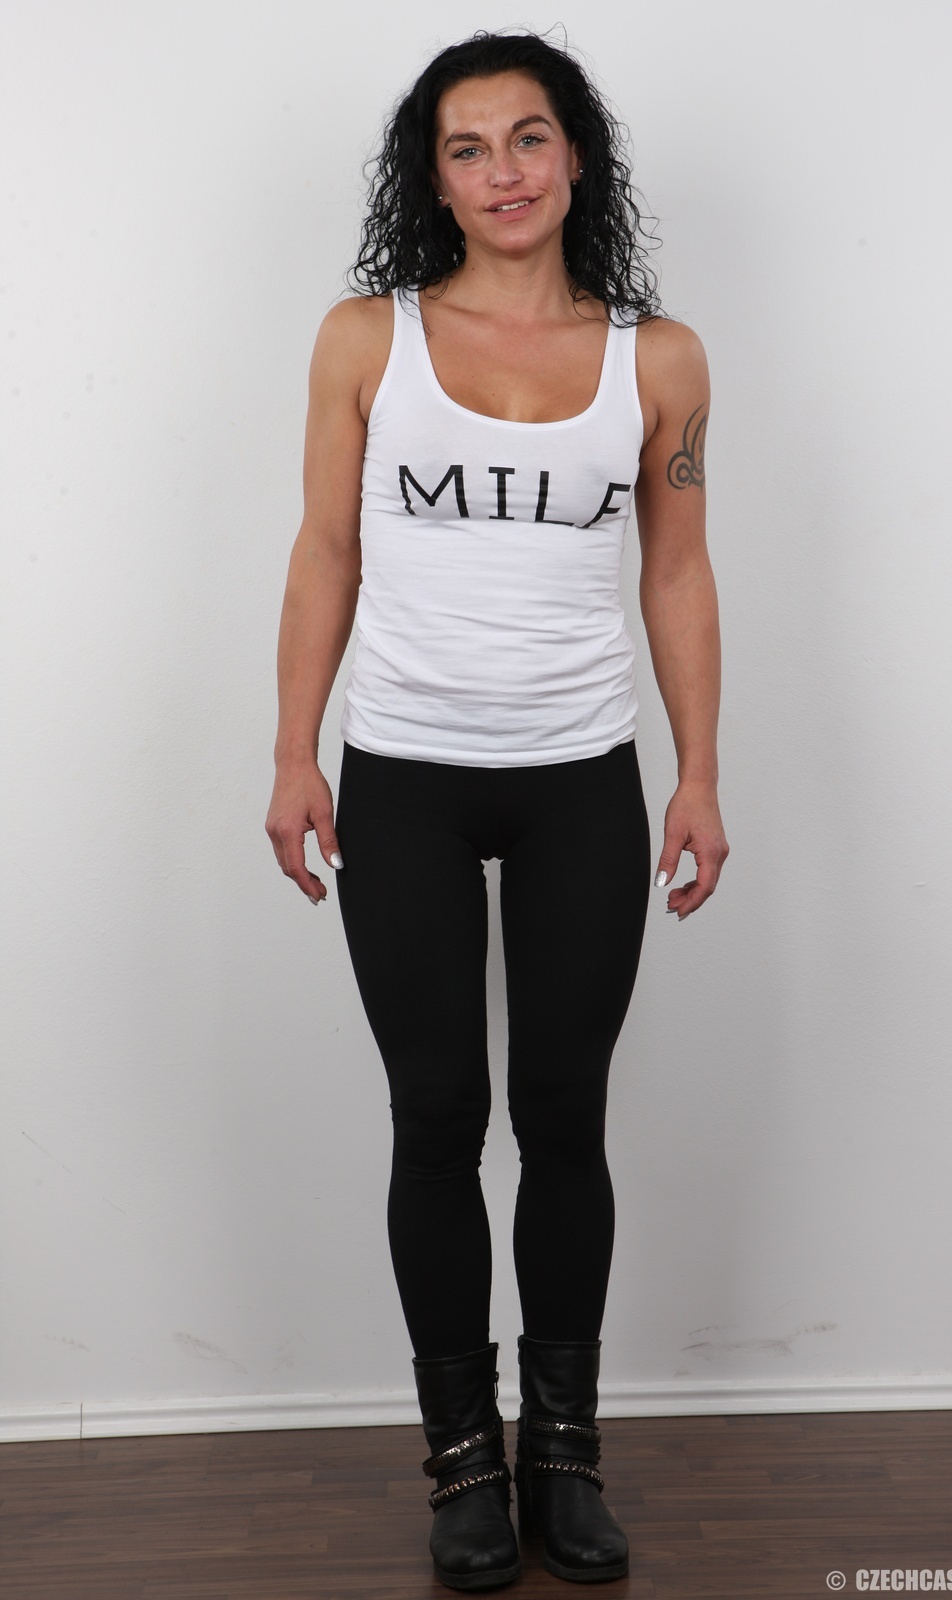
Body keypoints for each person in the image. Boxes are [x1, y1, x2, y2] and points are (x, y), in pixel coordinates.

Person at [265, 28, 728, 1591]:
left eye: (529, 138)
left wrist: (698, 773)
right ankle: (464, 1468)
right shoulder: (366, 340)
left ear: (576, 156)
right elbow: (325, 551)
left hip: (581, 778)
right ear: (437, 180)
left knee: (565, 1119)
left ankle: (564, 1461)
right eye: (468, 149)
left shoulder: (661, 361)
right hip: (403, 772)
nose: (503, 172)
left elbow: (677, 572)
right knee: (437, 1118)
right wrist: (294, 752)